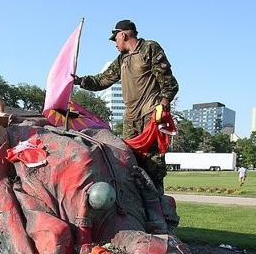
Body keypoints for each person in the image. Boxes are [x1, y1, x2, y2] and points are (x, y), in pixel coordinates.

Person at [73, 20, 179, 192]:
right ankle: (136, 202)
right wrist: (80, 81)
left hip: (150, 113)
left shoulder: (149, 48)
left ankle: (159, 205)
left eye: (115, 39)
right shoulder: (122, 58)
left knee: (153, 163)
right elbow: (103, 79)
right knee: (129, 160)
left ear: (123, 34)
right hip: (131, 117)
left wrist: (164, 102)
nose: (115, 43)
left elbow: (169, 83)